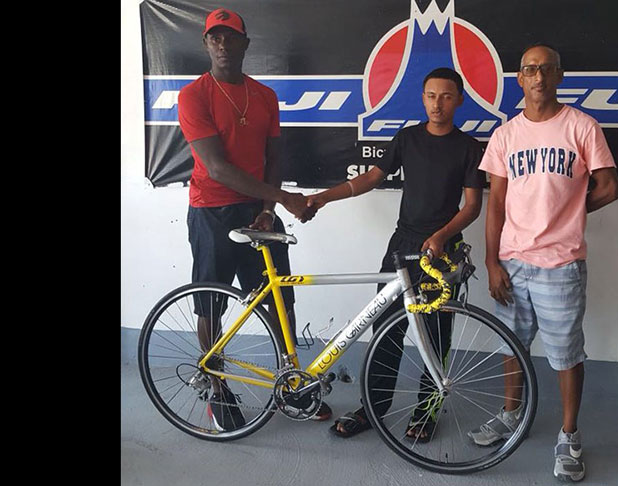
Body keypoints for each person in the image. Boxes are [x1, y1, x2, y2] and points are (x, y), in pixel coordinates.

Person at [306, 67, 487, 441]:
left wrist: (440, 236)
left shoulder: (469, 147)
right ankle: (373, 408)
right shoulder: (407, 138)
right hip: (402, 247)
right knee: (385, 330)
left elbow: (471, 207)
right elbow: (371, 177)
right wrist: (324, 197)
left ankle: (427, 411)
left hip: (443, 254)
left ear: (459, 100)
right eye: (431, 95)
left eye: (447, 96)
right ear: (423, 98)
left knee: (436, 336)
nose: (438, 103)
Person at [472, 43, 618, 482]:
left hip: (561, 264)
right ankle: (509, 415)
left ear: (559, 76)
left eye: (547, 69)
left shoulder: (582, 126)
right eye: (530, 69)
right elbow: (495, 202)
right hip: (513, 262)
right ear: (519, 78)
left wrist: (572, 212)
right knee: (511, 346)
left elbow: (609, 186)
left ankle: (569, 435)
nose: (538, 77)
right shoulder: (506, 135)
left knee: (565, 354)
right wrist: (492, 260)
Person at [177, 8, 330, 431]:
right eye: (215, 38)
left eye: (231, 37)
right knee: (211, 302)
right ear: (206, 44)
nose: (223, 45)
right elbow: (217, 167)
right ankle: (214, 384)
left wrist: (269, 209)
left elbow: (274, 157)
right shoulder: (193, 96)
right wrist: (284, 198)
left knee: (279, 299)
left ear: (246, 43)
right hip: (212, 210)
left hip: (259, 211)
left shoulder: (264, 96)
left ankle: (291, 385)